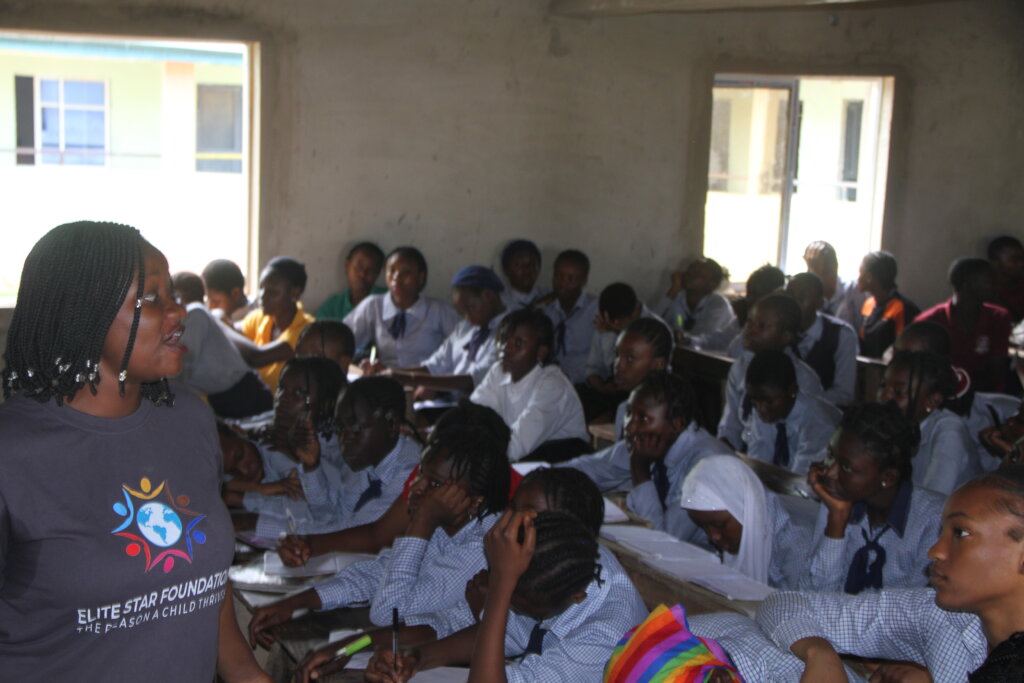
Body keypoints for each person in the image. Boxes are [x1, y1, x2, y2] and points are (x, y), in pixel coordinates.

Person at [0, 221, 268, 680]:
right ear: (84, 313)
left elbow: (202, 590)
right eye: (152, 299)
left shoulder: (190, 420)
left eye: (173, 297)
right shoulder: (14, 451)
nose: (177, 314)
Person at [247, 407, 511, 649]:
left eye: (436, 484)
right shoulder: (448, 524)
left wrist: (422, 521)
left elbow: (389, 613)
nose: (416, 487)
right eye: (421, 474)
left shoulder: (481, 546)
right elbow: (376, 573)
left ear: (474, 502)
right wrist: (295, 603)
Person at [755, 466, 1024, 682]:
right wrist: (820, 655)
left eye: (960, 533)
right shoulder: (944, 617)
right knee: (755, 644)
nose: (935, 551)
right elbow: (786, 604)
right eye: (942, 532)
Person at [362, 510, 648, 683]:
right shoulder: (564, 559)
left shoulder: (604, 637)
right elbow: (508, 632)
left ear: (576, 596)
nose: (508, 607)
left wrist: (500, 587)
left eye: (518, 606)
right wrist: (416, 658)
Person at [563, 371, 733, 545]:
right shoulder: (648, 441)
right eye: (629, 413)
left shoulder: (705, 464)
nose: (630, 426)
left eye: (643, 418)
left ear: (677, 424)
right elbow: (588, 468)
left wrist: (640, 469)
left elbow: (662, 540)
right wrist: (541, 475)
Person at [803, 402, 945, 593]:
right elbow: (811, 594)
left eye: (846, 467)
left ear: (887, 478)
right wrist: (837, 521)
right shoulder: (837, 500)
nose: (830, 472)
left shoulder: (933, 522)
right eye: (830, 456)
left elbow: (914, 614)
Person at [233, 356, 347, 537]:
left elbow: (323, 515)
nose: (283, 399)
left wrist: (292, 457)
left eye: (300, 393)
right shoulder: (270, 431)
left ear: (325, 406)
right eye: (282, 388)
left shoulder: (332, 453)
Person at [375, 265, 508, 403]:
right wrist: (388, 372)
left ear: (488, 296)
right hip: (452, 403)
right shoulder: (466, 327)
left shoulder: (509, 331)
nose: (467, 317)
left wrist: (410, 379)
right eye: (463, 312)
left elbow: (472, 380)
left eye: (470, 307)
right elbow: (435, 365)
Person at [470, 309, 589, 462]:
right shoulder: (498, 371)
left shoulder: (553, 385)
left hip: (561, 464)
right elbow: (474, 415)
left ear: (540, 352)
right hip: (523, 456)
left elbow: (516, 447)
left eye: (518, 343)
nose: (507, 348)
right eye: (504, 339)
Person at [680, 455, 812, 587]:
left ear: (743, 508)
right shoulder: (739, 522)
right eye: (703, 527)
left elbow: (796, 604)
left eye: (720, 525)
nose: (712, 536)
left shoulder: (795, 543)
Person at [717, 294, 826, 451]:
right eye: (749, 322)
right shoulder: (740, 367)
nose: (750, 330)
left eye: (762, 326)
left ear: (786, 336)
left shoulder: (804, 379)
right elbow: (730, 422)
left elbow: (809, 437)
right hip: (746, 455)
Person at [170, 271, 274, 418]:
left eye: (172, 296)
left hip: (243, 394)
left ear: (181, 296)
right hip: (226, 395)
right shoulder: (191, 317)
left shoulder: (195, 313)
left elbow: (182, 363)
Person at [880, 350, 979, 495]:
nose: (884, 396)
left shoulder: (949, 432)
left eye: (898, 392)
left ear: (932, 401)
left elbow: (932, 499)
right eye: (883, 386)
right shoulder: (892, 423)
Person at [344, 246, 459, 368]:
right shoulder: (374, 305)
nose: (396, 277)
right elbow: (345, 339)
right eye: (391, 271)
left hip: (426, 381)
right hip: (386, 381)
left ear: (421, 277)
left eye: (406, 272)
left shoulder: (438, 311)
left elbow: (462, 348)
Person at [916, 257, 1012, 393]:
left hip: (985, 397)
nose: (995, 285)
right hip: (941, 395)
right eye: (989, 280)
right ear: (968, 284)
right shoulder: (930, 321)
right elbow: (925, 371)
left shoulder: (998, 317)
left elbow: (996, 372)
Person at [741, 350, 841, 476]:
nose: (762, 409)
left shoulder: (818, 423)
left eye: (769, 402)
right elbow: (758, 462)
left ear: (792, 390)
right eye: (755, 401)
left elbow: (802, 479)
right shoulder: (766, 409)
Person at [580, 282, 662, 421]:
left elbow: (658, 377)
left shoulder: (657, 330)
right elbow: (592, 367)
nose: (614, 326)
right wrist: (602, 387)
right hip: (609, 389)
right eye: (611, 323)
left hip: (641, 392)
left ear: (635, 311)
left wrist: (619, 332)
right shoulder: (606, 323)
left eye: (619, 323)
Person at [238, 256, 316, 392]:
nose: (262, 296)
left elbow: (256, 358)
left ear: (295, 293)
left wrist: (217, 318)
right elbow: (232, 333)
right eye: (261, 288)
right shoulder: (258, 318)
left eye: (273, 292)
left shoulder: (307, 330)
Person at [785, 272, 858, 406]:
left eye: (801, 297)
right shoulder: (777, 330)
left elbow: (844, 394)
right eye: (789, 296)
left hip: (825, 417)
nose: (793, 303)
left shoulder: (842, 335)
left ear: (820, 302)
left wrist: (800, 400)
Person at [539, 249, 599, 385]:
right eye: (558, 276)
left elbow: (599, 358)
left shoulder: (595, 309)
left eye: (571, 279)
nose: (562, 284)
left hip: (583, 383)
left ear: (584, 280)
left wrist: (570, 377)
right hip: (549, 380)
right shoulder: (546, 308)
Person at [608, 317, 674, 438]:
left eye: (630, 358)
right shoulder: (624, 409)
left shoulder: (670, 417)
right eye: (617, 355)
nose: (618, 366)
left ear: (659, 364)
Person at [654, 257, 737, 352]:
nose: (689, 275)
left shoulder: (718, 305)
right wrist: (673, 290)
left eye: (697, 274)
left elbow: (700, 337)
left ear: (712, 284)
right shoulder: (679, 297)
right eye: (689, 271)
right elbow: (654, 320)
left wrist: (677, 335)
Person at [857, 250, 920, 358]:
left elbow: (904, 350)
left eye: (860, 273)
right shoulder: (868, 304)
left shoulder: (902, 308)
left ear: (869, 277)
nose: (858, 278)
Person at [722, 264, 786, 358]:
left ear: (775, 295)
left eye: (756, 294)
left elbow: (737, 354)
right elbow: (721, 341)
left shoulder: (780, 324)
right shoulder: (745, 314)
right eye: (748, 293)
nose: (749, 299)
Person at [316, 241, 387, 321]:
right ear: (347, 265)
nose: (362, 274)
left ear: (377, 274)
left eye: (371, 270)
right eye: (358, 266)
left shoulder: (387, 299)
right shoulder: (333, 307)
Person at [803, 240, 864, 329]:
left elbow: (862, 328)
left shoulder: (852, 289)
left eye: (825, 269)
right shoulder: (806, 293)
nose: (811, 272)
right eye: (811, 268)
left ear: (835, 266)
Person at [202, 257, 257, 324]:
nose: (210, 307)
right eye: (208, 300)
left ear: (235, 293)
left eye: (217, 301)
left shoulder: (253, 321)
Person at [499, 239, 549, 310]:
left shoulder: (551, 296)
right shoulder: (499, 301)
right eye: (519, 264)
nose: (527, 270)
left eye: (531, 264)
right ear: (506, 270)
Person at [988, 234, 1024, 323]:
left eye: (1022, 258)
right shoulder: (987, 292)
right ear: (995, 263)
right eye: (1015, 260)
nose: (1021, 264)